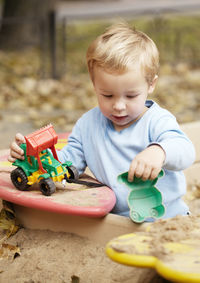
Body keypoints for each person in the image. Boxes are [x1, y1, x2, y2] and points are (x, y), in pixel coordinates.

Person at [8, 22, 195, 219]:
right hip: (116, 222)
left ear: (151, 85)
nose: (119, 106)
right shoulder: (88, 125)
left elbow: (185, 150)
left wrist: (160, 151)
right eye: (107, 95)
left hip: (169, 219)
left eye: (131, 96)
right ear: (94, 83)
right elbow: (66, 163)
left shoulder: (157, 121)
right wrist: (30, 155)